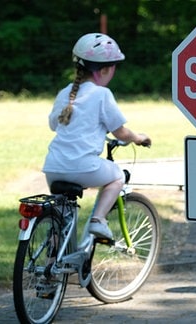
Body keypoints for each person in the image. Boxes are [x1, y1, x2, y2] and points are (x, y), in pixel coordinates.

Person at [42, 33, 151, 240]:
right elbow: (121, 132)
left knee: (61, 218)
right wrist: (139, 138)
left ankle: (55, 261)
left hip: (53, 167)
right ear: (104, 70)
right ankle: (98, 220)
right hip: (83, 167)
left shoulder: (65, 93)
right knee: (117, 176)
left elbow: (53, 124)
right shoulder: (101, 95)